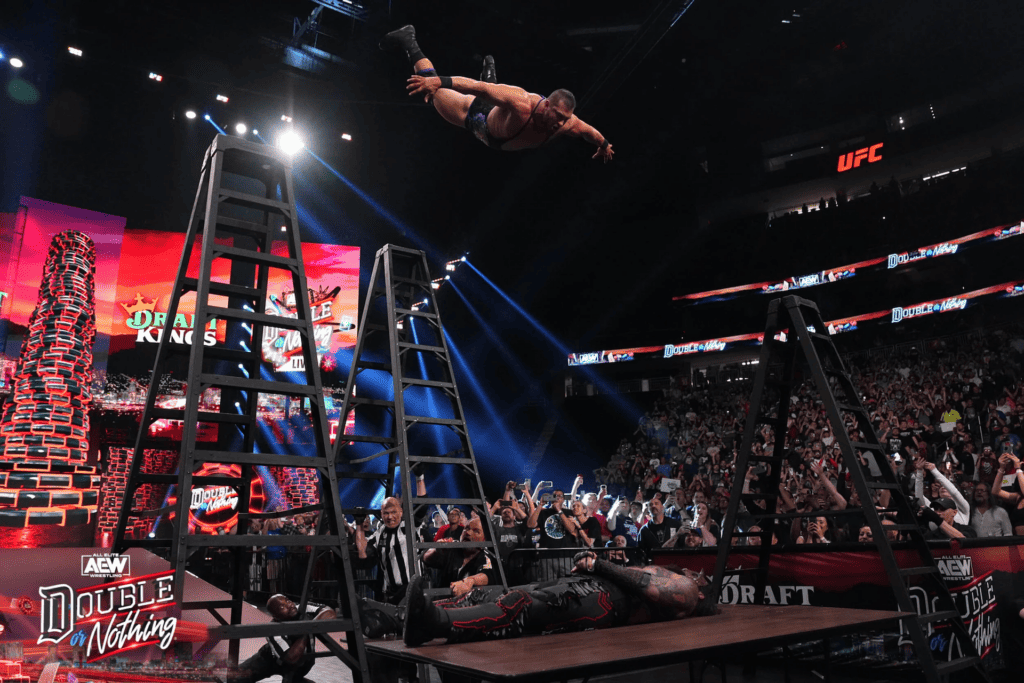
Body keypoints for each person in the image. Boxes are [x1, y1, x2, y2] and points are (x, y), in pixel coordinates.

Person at [380, 25, 614, 161]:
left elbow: (588, 131)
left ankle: (491, 79)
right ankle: (408, 39)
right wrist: (438, 82)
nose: (561, 124)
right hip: (475, 117)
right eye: (558, 117)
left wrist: (603, 145)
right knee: (432, 91)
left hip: (494, 129)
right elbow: (476, 87)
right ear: (545, 106)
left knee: (491, 94)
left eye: (565, 119)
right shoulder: (522, 101)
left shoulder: (566, 123)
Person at [402, 552, 719, 646]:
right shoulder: (681, 577)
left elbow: (649, 587)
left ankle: (433, 623)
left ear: (703, 590)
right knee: (489, 593)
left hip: (605, 601)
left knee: (520, 606)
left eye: (701, 576)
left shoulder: (690, 591)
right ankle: (395, 617)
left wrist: (600, 564)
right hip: (588, 587)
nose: (696, 572)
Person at [355, 475, 427, 605]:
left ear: (400, 512)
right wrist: (359, 524)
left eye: (393, 512)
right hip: (391, 592)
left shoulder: (408, 527)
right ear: (381, 514)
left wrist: (419, 478)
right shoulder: (380, 532)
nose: (390, 517)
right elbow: (362, 552)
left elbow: (422, 509)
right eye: (386, 513)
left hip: (413, 590)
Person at [231, 595, 334, 683]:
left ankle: (297, 680)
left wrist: (310, 626)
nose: (289, 605)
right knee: (235, 679)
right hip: (271, 660)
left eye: (288, 600)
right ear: (275, 616)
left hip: (300, 663)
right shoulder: (272, 629)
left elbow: (330, 612)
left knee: (294, 674)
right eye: (282, 606)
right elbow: (290, 658)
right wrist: (307, 631)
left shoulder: (302, 608)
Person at [422, 518, 500, 597]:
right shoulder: (452, 546)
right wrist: (437, 550)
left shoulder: (485, 557)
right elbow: (425, 558)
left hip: (464, 607)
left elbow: (487, 574)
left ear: (484, 539)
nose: (468, 533)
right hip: (439, 603)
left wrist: (470, 581)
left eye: (476, 531)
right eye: (466, 528)